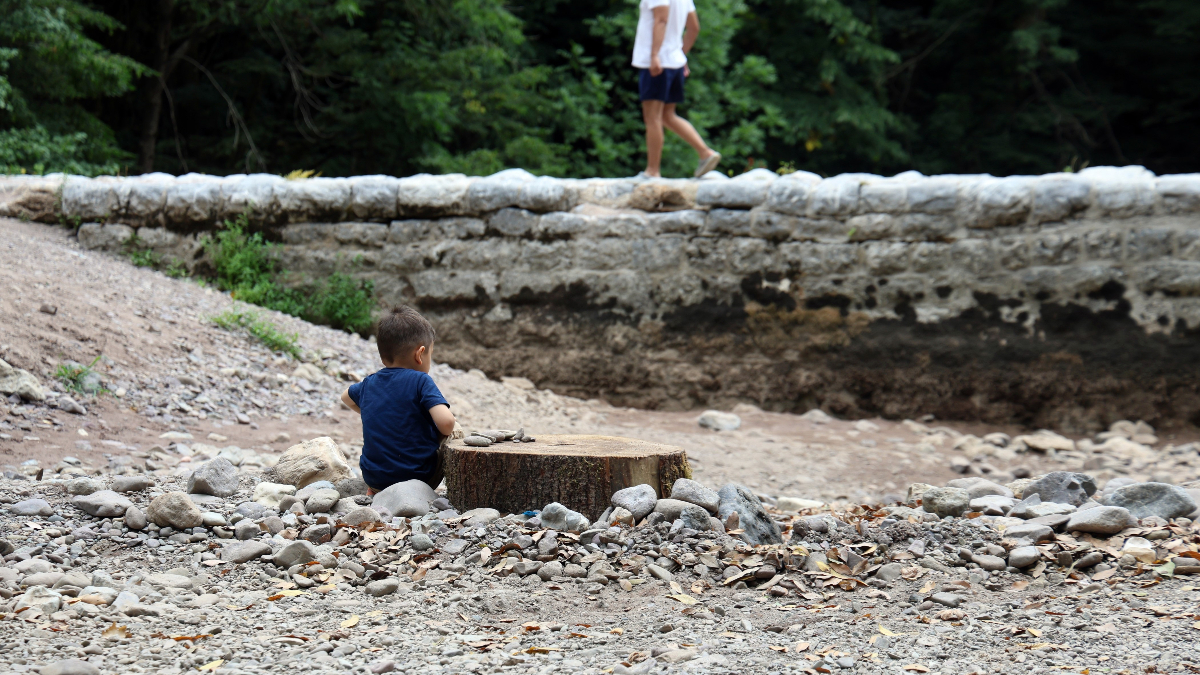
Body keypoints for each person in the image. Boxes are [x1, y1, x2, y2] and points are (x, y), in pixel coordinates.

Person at [340, 306, 456, 495]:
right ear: (420, 354)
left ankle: (376, 491)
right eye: (430, 355)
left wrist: (376, 412)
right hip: (418, 477)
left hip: (374, 477)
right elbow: (447, 423)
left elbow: (345, 397)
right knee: (453, 432)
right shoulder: (421, 380)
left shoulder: (370, 382)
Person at [632, 0, 720, 178]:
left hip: (658, 63)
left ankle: (652, 171)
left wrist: (655, 55)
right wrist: (681, 54)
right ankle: (705, 153)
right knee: (667, 116)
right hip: (674, 62)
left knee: (653, 118)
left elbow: (661, 19)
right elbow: (694, 28)